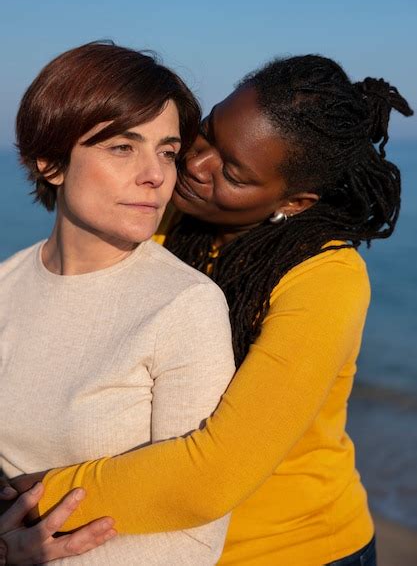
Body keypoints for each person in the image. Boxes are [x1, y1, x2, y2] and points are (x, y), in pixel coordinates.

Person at [4, 55, 413, 565]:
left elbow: (215, 471)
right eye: (207, 137)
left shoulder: (325, 278)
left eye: (233, 173)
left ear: (296, 202)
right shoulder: (161, 214)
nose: (193, 168)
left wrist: (31, 495)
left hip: (291, 547)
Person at [0, 42, 236, 564]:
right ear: (50, 162)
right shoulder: (5, 287)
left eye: (168, 151)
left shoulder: (185, 306)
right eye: (122, 148)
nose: (155, 174)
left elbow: (196, 534)